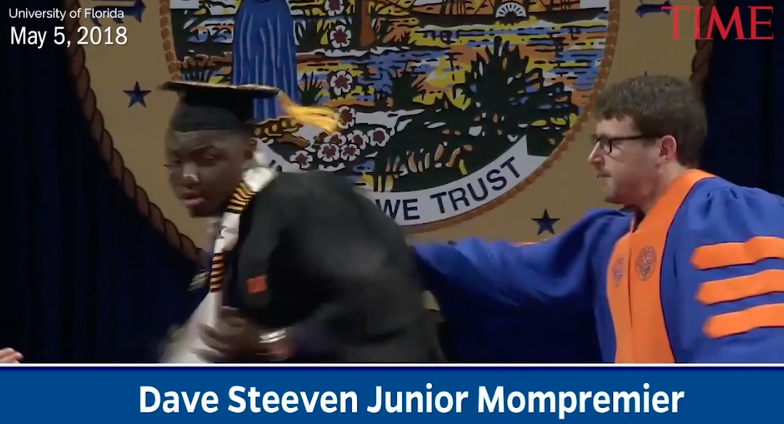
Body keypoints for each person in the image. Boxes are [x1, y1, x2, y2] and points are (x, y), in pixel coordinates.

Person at [414, 75, 784, 363]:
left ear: (663, 149)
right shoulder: (609, 240)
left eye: (610, 144)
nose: (594, 157)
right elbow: (504, 267)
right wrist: (400, 258)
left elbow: (753, 354)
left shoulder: (729, 216)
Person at [159, 81, 443, 363]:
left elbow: (382, 298)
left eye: (207, 159)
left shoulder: (306, 202)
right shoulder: (231, 232)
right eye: (175, 162)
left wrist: (275, 342)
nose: (187, 177)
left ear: (248, 150)